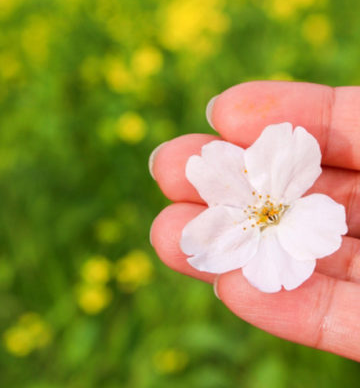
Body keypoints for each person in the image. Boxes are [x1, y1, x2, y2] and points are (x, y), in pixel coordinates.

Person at [149, 81, 360, 362]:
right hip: (258, 233)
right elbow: (212, 244)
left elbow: (316, 227)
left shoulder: (292, 209)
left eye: (267, 211)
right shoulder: (250, 211)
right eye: (263, 212)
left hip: (291, 212)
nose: (265, 211)